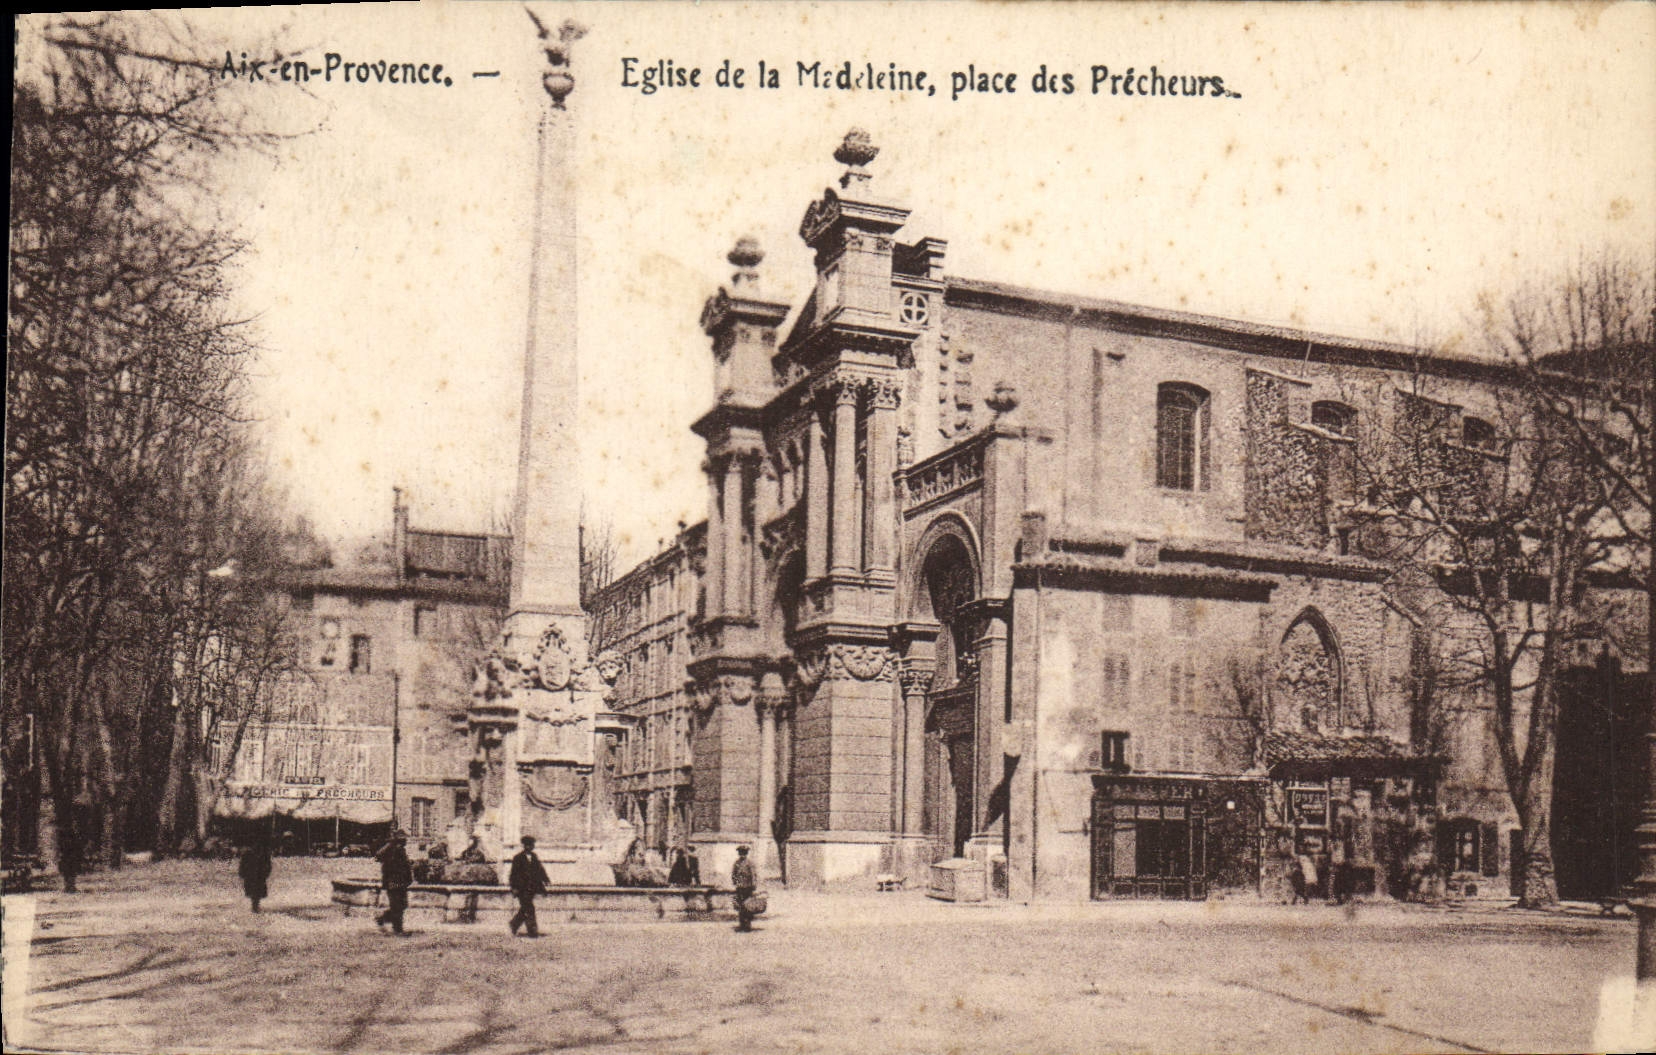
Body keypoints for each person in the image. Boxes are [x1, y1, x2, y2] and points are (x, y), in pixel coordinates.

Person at [508, 836, 550, 938]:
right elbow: (513, 874)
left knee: (525, 908)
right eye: (527, 845)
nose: (529, 847)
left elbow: (540, 870)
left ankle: (514, 923)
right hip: (521, 888)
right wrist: (514, 888)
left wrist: (546, 879)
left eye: (531, 845)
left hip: (532, 888)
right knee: (529, 908)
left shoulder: (534, 857)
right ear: (524, 846)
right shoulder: (518, 858)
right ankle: (532, 931)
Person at [375, 830, 413, 935]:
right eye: (403, 839)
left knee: (402, 905)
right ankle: (398, 930)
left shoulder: (400, 850)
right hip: (394, 882)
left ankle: (382, 918)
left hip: (401, 882)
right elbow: (384, 863)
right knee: (397, 906)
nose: (405, 841)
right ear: (398, 840)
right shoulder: (392, 850)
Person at [238, 839, 273, 913]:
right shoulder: (248, 854)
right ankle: (255, 907)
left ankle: (255, 907)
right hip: (251, 876)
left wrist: (266, 873)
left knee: (256, 893)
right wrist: (242, 873)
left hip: (259, 876)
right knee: (254, 893)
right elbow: (243, 865)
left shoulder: (263, 854)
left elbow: (267, 865)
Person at [730, 844, 757, 932]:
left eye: (744, 853)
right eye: (740, 853)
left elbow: (753, 874)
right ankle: (742, 924)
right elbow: (734, 873)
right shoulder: (736, 863)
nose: (742, 855)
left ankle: (748, 924)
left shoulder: (749, 863)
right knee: (740, 906)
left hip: (748, 887)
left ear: (746, 853)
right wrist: (735, 881)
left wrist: (753, 884)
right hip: (740, 887)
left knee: (748, 905)